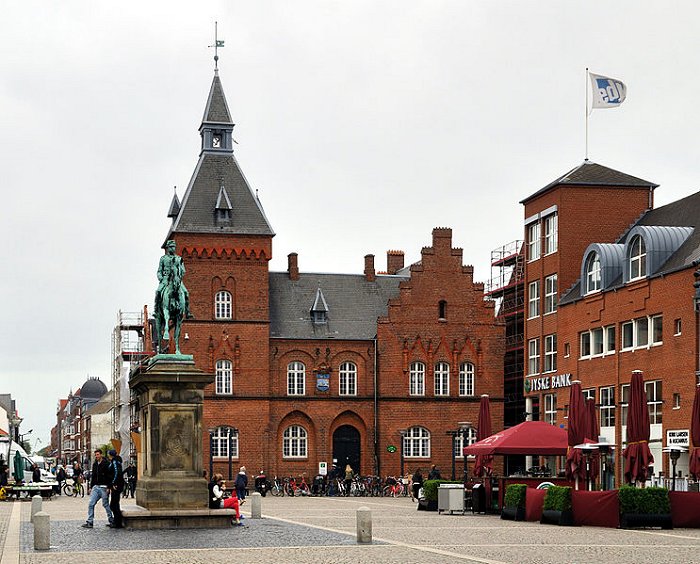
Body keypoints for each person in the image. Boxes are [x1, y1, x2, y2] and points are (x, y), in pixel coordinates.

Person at [81, 449, 114, 529]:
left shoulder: (106, 464)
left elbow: (110, 476)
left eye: (98, 454)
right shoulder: (95, 464)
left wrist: (109, 487)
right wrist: (91, 487)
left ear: (101, 455)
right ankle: (90, 521)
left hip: (104, 487)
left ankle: (111, 520)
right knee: (91, 503)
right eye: (95, 455)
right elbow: (94, 476)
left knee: (105, 504)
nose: (96, 456)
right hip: (96, 487)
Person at [107, 450, 124, 528]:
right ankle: (116, 521)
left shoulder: (115, 462)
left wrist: (114, 483)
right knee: (114, 504)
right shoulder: (115, 461)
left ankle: (118, 523)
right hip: (116, 485)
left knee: (114, 504)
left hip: (117, 485)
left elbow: (117, 473)